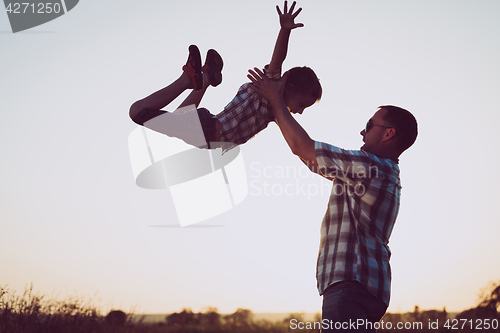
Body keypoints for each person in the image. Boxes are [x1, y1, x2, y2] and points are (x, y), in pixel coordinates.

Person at [247, 67, 418, 332]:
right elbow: (311, 158)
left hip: (351, 281)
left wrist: (275, 101)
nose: (362, 132)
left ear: (388, 133)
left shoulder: (371, 167)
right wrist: (278, 110)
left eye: (369, 125)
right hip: (366, 286)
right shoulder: (378, 172)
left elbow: (302, 147)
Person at [129, 1, 322, 152]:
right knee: (137, 111)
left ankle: (204, 81)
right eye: (302, 104)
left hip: (208, 127)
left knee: (175, 119)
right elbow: (278, 59)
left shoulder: (277, 109)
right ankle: (187, 81)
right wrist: (285, 30)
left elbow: (290, 129)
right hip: (208, 130)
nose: (301, 111)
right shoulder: (271, 86)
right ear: (289, 89)